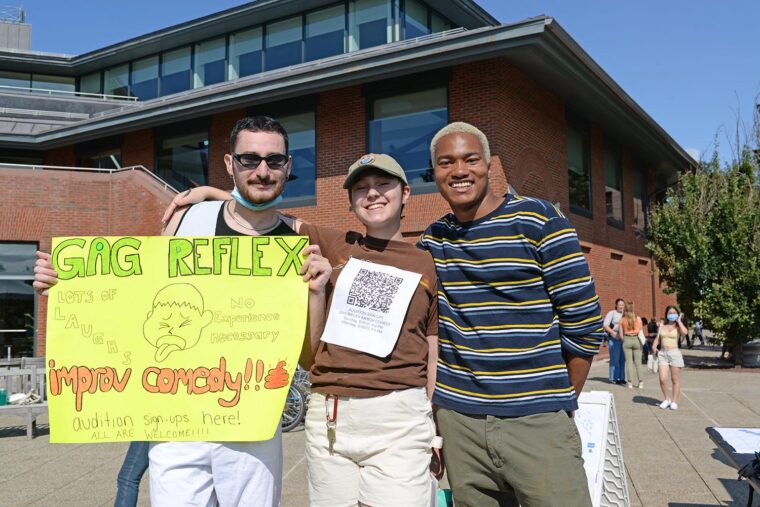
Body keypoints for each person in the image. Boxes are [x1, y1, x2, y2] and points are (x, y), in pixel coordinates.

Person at [33, 116, 332, 507]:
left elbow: (308, 357)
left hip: (253, 425)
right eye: (249, 159)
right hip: (178, 425)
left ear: (288, 166)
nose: (262, 171)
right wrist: (67, 285)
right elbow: (137, 301)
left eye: (274, 161)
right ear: (229, 164)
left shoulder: (297, 241)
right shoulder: (189, 221)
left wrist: (315, 295)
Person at [162, 153, 442, 506]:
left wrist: (435, 428)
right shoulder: (336, 243)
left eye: (383, 184)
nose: (372, 194)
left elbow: (432, 349)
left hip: (399, 418)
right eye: (361, 188)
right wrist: (208, 192)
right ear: (351, 202)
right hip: (330, 416)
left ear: (405, 193)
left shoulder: (427, 262)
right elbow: (269, 214)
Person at [418, 122, 603, 506]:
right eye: (445, 162)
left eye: (470, 159)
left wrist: (558, 401)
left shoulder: (538, 221)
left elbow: (584, 326)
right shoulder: (433, 241)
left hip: (537, 422)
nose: (459, 171)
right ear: (434, 172)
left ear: (488, 165)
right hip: (459, 424)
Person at [652, 305, 688, 410]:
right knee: (662, 379)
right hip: (663, 353)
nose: (672, 315)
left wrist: (679, 321)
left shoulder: (678, 326)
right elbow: (657, 338)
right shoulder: (662, 325)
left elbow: (685, 332)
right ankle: (666, 399)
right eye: (670, 313)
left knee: (674, 379)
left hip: (674, 353)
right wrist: (654, 346)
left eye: (674, 313)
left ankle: (674, 401)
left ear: (677, 314)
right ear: (666, 314)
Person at [618, 302, 644, 389]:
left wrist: (625, 340)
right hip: (637, 339)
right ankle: (641, 382)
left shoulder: (622, 320)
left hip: (627, 339)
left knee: (629, 362)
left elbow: (621, 335)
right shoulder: (638, 318)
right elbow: (640, 330)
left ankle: (629, 382)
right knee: (638, 363)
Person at [603, 298, 627, 385]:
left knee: (622, 359)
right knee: (615, 359)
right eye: (620, 305)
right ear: (616, 305)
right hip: (614, 338)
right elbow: (605, 325)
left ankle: (622, 378)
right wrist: (613, 333)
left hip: (624, 338)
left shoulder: (626, 314)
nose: (621, 306)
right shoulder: (612, 313)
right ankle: (614, 378)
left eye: (622, 305)